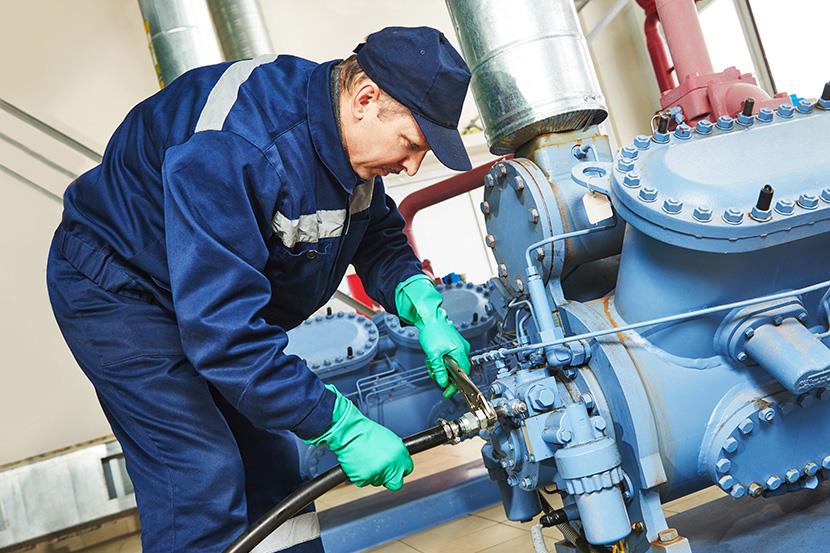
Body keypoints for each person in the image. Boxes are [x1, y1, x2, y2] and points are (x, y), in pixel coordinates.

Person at [46, 26, 473, 552]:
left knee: (271, 466)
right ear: (365, 99)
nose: (411, 165)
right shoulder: (237, 146)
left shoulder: (346, 150)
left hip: (201, 299)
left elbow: (377, 234)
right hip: (120, 292)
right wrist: (339, 425)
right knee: (199, 471)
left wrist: (420, 301)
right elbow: (223, 331)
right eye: (411, 144)